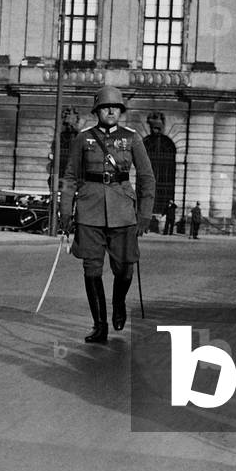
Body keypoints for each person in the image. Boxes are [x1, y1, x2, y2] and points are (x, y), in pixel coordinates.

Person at [60, 85, 155, 343]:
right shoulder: (83, 138)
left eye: (115, 107)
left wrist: (145, 214)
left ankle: (119, 303)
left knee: (124, 270)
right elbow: (70, 177)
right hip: (89, 210)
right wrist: (66, 211)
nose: (111, 111)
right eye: (105, 107)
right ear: (97, 111)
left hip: (123, 211)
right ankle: (99, 325)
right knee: (92, 269)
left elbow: (146, 178)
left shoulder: (132, 138)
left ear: (121, 111)